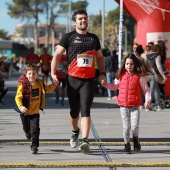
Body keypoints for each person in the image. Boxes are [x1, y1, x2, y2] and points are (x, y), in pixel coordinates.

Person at [51, 9, 106, 153]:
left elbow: (100, 58)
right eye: (80, 19)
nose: (83, 21)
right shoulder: (68, 37)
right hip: (72, 79)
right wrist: (53, 73)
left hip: (88, 80)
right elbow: (57, 55)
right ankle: (75, 131)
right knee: (74, 112)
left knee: (85, 110)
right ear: (74, 22)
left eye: (85, 18)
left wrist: (102, 73)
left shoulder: (93, 38)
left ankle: (85, 140)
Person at [101, 53, 151, 154]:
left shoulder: (139, 77)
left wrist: (147, 100)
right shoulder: (120, 75)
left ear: (135, 65)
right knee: (126, 126)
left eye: (131, 64)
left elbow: (146, 90)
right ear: (124, 64)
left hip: (135, 106)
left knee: (135, 126)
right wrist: (106, 85)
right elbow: (114, 87)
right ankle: (127, 144)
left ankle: (135, 138)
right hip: (123, 106)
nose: (129, 66)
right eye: (127, 64)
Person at [14, 64, 56, 154]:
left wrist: (53, 85)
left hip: (35, 112)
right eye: (29, 74)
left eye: (34, 74)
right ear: (26, 74)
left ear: (37, 74)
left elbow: (47, 89)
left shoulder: (39, 83)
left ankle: (34, 145)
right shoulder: (23, 85)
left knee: (35, 129)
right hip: (25, 112)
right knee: (26, 128)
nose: (31, 76)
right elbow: (18, 98)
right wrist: (21, 107)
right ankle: (27, 133)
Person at [146, 44, 167, 111]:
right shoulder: (157, 56)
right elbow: (159, 66)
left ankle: (159, 105)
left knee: (156, 90)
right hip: (154, 75)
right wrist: (163, 75)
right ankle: (149, 104)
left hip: (148, 75)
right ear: (158, 50)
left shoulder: (147, 56)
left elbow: (146, 65)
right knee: (152, 90)